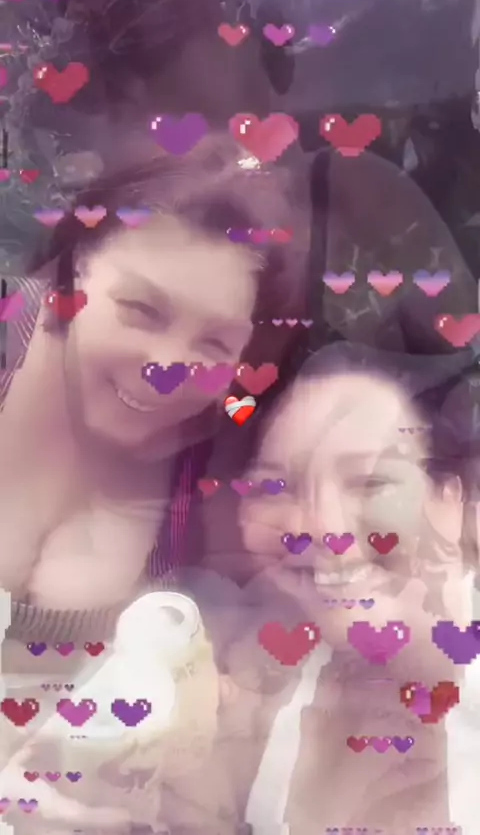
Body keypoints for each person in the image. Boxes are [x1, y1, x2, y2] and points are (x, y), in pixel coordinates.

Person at [0, 130, 310, 832]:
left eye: (213, 344)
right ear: (75, 273)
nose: (168, 369)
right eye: (141, 311)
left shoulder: (209, 462)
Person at [203, 339, 480, 834]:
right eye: (275, 487)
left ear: (448, 498)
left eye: (370, 483)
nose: (321, 526)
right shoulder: (237, 677)